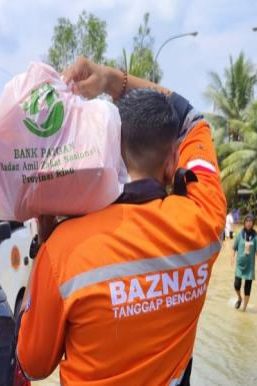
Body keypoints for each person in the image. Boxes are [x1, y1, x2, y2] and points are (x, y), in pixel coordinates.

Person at [16, 57, 226, 385]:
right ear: (173, 159)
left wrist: (44, 246)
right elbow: (192, 119)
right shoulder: (206, 221)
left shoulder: (63, 251)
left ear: (110, 149)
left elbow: (31, 366)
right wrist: (112, 80)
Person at [231, 214, 257, 312]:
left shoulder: (255, 236)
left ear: (253, 223)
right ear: (244, 222)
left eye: (250, 221)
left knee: (247, 288)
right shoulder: (240, 234)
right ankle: (239, 298)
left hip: (250, 267)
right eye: (247, 221)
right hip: (240, 265)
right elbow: (233, 248)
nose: (248, 223)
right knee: (236, 285)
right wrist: (232, 258)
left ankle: (244, 309)